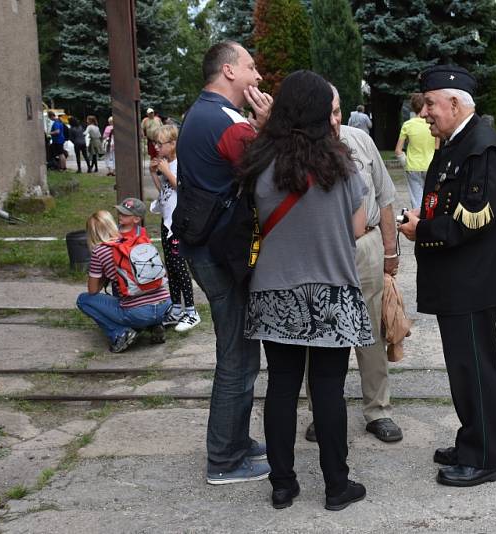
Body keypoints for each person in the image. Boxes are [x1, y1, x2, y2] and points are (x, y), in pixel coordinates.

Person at [398, 65, 496, 487]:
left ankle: (487, 459)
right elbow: (449, 202)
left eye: (429, 104)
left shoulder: (481, 148)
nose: (424, 113)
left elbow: (474, 220)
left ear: (455, 103)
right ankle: (471, 440)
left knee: (474, 368)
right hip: (461, 276)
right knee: (463, 367)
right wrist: (426, 217)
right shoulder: (456, 141)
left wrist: (421, 228)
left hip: (474, 281)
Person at [239, 70, 371, 511]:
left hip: (275, 290)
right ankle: (337, 486)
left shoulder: (260, 162)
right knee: (329, 389)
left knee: (280, 387)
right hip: (333, 288)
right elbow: (356, 228)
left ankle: (282, 484)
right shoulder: (342, 163)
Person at [175, 40, 273, 485]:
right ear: (229, 71)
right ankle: (225, 458)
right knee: (237, 358)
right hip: (222, 253)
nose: (258, 77)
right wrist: (269, 127)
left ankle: (235, 440)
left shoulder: (202, 113)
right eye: (251, 68)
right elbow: (274, 173)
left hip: (205, 246)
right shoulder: (227, 123)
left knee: (238, 353)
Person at [304, 84, 403, 444]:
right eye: (327, 112)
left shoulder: (359, 140)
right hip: (322, 252)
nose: (334, 119)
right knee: (320, 333)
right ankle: (322, 412)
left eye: (338, 110)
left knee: (371, 329)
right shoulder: (300, 150)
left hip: (366, 246)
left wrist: (390, 252)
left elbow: (385, 197)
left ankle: (378, 410)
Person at [76, 207, 171, 353]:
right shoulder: (137, 237)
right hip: (165, 305)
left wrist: (106, 275)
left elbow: (93, 290)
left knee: (84, 300)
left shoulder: (99, 251)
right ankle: (155, 325)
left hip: (139, 314)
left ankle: (120, 333)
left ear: (92, 233)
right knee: (122, 284)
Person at [148, 124, 201, 332]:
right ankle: (176, 307)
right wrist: (154, 174)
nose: (156, 147)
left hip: (178, 224)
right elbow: (166, 191)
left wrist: (166, 171)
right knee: (170, 268)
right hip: (166, 221)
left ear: (173, 144)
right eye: (155, 143)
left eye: (160, 144)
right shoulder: (167, 164)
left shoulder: (181, 164)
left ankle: (191, 311)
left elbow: (183, 187)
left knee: (180, 267)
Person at [394, 93, 437, 209]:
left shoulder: (407, 125)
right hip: (431, 166)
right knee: (432, 199)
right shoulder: (434, 123)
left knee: (417, 201)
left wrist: (406, 163)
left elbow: (398, 151)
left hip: (413, 167)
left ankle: (416, 224)